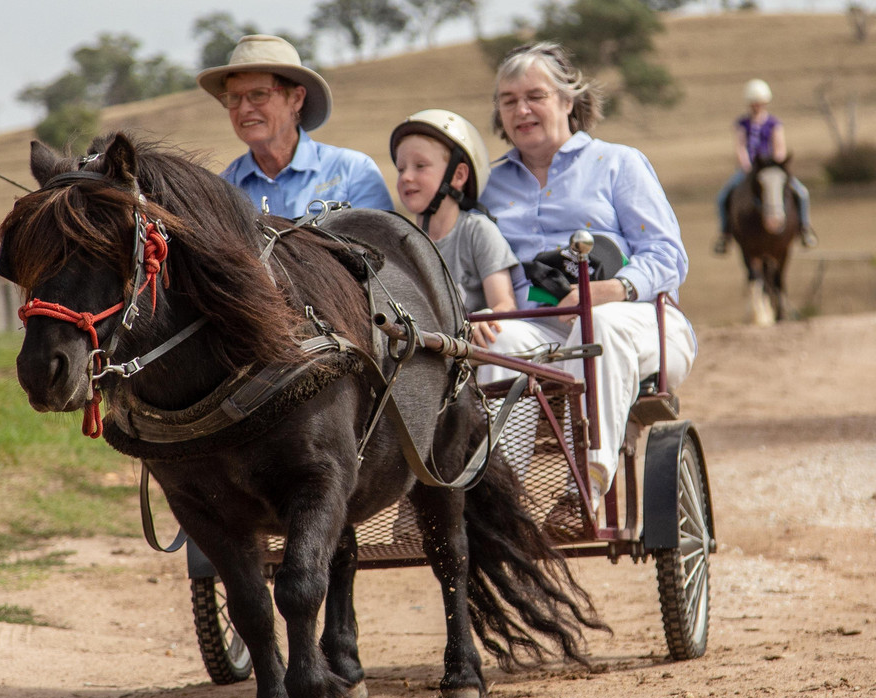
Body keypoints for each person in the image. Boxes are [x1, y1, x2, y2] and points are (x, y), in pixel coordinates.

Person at [477, 42, 698, 533]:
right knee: (502, 345)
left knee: (597, 328)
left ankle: (585, 488)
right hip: (536, 331)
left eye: (535, 95)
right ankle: (498, 504)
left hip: (639, 324)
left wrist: (612, 289)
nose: (522, 109)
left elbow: (669, 256)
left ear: (568, 101)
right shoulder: (488, 187)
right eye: (508, 100)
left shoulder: (619, 163)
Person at [197, 35, 393, 217]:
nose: (244, 108)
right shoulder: (220, 193)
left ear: (296, 98)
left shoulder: (353, 172)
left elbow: (380, 250)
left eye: (258, 94)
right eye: (234, 98)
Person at [389, 109, 519, 349]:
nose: (406, 177)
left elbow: (505, 305)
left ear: (458, 175)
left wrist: (483, 321)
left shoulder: (477, 231)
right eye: (400, 169)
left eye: (420, 166)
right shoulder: (399, 244)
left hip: (473, 360)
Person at [713, 78, 817, 254]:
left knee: (802, 193)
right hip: (749, 170)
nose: (756, 106)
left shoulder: (774, 123)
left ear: (765, 103)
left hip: (772, 170)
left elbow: (780, 148)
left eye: (760, 103)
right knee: (722, 197)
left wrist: (774, 166)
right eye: (754, 103)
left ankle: (804, 228)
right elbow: (740, 147)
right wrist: (746, 166)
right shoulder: (742, 124)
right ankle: (725, 234)